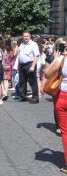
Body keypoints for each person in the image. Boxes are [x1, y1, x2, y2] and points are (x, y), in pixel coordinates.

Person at [44, 40, 67, 174]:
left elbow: (47, 74)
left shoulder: (61, 59)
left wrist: (55, 57)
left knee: (65, 132)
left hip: (63, 97)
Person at [17, 31, 40, 103]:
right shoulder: (22, 44)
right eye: (24, 36)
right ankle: (23, 96)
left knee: (32, 82)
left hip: (30, 64)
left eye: (27, 36)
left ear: (30, 36)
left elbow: (36, 56)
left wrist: (33, 66)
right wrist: (18, 65)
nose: (26, 37)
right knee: (22, 81)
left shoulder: (33, 44)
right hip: (22, 65)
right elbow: (19, 55)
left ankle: (35, 98)